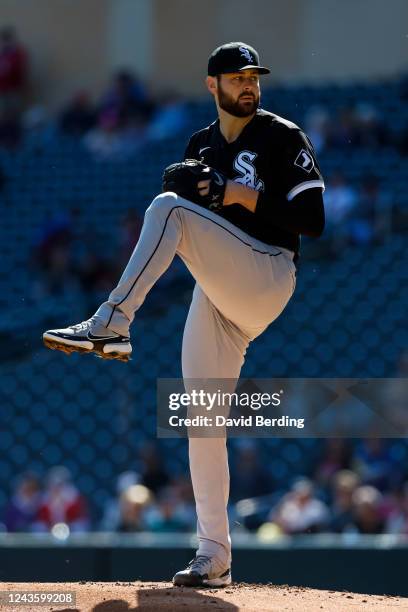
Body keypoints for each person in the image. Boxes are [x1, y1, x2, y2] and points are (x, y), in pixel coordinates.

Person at [43, 42, 325, 586]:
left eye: (254, 77)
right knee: (201, 418)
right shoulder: (202, 144)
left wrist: (233, 194)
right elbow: (191, 208)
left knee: (166, 207)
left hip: (268, 273)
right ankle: (213, 553)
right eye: (237, 77)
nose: (248, 84)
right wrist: (194, 187)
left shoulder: (281, 136)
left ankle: (113, 322)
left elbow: (312, 220)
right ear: (212, 85)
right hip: (219, 293)